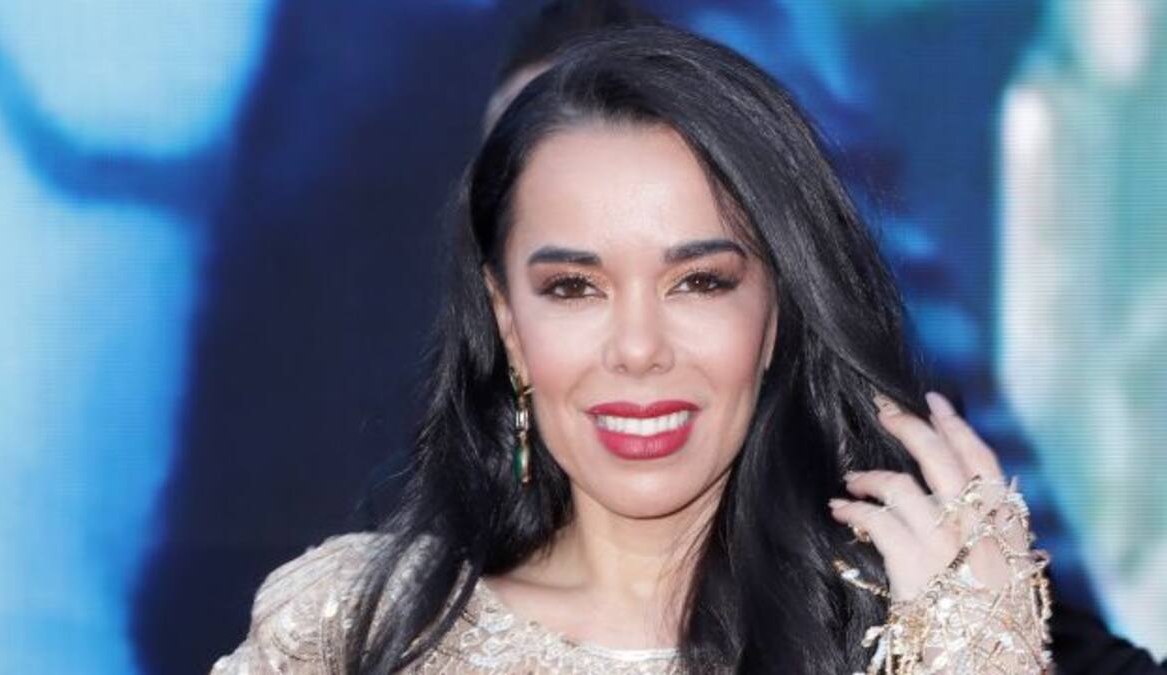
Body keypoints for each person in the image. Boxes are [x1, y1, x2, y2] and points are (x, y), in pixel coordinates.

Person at [211, 24, 1055, 674]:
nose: (639, 348)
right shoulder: (352, 625)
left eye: (700, 281)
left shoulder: (910, 637)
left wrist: (980, 649)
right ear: (508, 324)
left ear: (777, 316)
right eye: (574, 288)